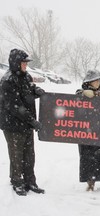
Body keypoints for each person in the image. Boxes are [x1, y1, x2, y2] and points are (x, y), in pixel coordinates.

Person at [0, 48, 45, 196]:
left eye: (26, 63)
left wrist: (36, 91)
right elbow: (15, 107)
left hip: (26, 123)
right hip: (12, 124)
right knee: (16, 155)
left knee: (29, 155)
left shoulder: (26, 77)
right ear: (16, 63)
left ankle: (30, 181)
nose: (26, 65)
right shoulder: (7, 81)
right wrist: (33, 121)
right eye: (23, 62)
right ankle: (17, 182)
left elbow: (28, 92)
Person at [76, 70, 100, 192]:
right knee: (87, 157)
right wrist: (83, 95)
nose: (98, 83)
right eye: (95, 80)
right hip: (86, 131)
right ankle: (90, 182)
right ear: (89, 82)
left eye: (99, 80)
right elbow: (73, 104)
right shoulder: (80, 94)